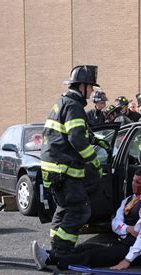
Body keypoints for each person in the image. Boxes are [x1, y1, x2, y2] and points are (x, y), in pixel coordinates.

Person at [31, 167, 141, 271]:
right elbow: (115, 223)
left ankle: (48, 259)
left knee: (93, 255)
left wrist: (127, 260)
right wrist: (128, 228)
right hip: (123, 243)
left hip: (140, 253)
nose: (134, 184)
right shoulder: (129, 200)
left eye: (138, 182)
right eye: (133, 180)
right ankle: (49, 254)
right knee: (85, 247)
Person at [40, 65, 103, 257]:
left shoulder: (63, 103)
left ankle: (55, 246)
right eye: (91, 87)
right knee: (79, 210)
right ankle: (62, 251)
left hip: (53, 168)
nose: (92, 91)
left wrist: (95, 139)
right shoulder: (74, 106)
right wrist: (94, 160)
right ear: (82, 86)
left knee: (64, 208)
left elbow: (74, 133)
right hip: (64, 169)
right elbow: (76, 138)